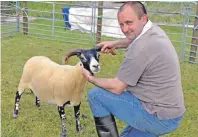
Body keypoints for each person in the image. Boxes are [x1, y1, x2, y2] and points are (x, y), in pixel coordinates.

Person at [82, 1, 186, 137]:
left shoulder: (140, 49)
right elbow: (135, 38)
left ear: (143, 19)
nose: (124, 29)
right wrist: (115, 43)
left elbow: (117, 87)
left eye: (129, 23)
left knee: (96, 95)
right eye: (121, 24)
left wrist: (90, 77)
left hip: (157, 116)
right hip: (172, 113)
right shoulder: (153, 31)